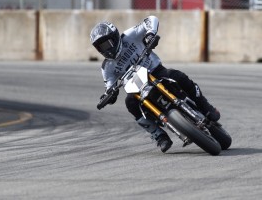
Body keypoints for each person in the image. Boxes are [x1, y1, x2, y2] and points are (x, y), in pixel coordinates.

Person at [90, 16, 220, 153]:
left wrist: (150, 34)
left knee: (177, 76)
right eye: (101, 47)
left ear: (115, 37)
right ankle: (159, 136)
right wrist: (109, 94)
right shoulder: (106, 67)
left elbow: (151, 20)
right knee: (130, 103)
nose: (105, 49)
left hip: (156, 71)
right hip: (137, 88)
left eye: (106, 44)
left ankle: (206, 107)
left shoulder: (129, 35)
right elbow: (109, 85)